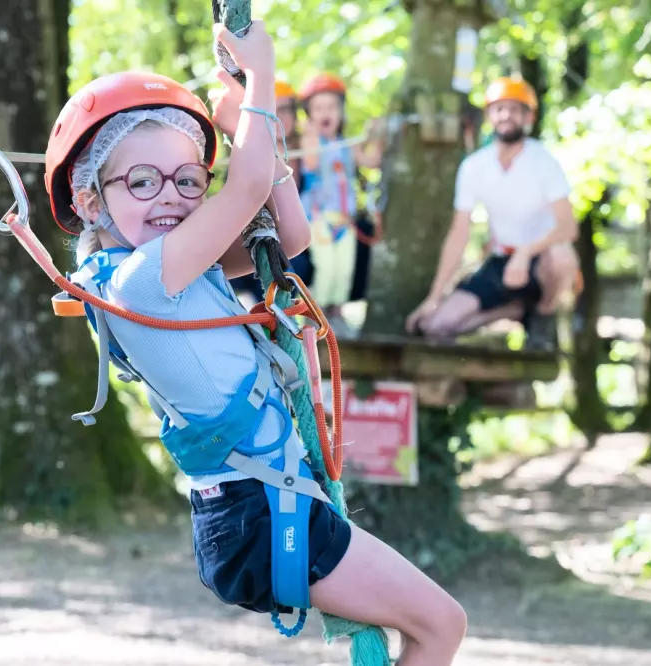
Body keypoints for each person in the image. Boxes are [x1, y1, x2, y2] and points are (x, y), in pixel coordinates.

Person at [42, 21, 466, 665]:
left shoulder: (176, 270)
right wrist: (261, 81)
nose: (170, 198)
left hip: (268, 503)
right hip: (260, 510)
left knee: (437, 625)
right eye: (143, 181)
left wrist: (257, 127)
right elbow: (243, 190)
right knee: (440, 625)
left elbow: (287, 236)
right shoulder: (140, 283)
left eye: (188, 180)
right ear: (90, 200)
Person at [405, 77, 579, 349]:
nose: (506, 115)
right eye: (499, 108)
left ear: (528, 117)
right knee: (435, 326)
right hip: (501, 262)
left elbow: (568, 227)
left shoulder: (544, 162)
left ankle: (543, 316)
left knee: (562, 256)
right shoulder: (475, 166)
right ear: (489, 115)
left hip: (540, 263)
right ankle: (513, 311)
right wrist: (434, 297)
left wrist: (526, 252)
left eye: (515, 109)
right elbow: (459, 234)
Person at [298, 72, 383, 336]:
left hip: (345, 220)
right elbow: (311, 162)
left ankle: (337, 314)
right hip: (319, 218)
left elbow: (371, 162)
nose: (326, 112)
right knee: (325, 268)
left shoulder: (348, 144)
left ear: (341, 111)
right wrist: (311, 133)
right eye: (319, 108)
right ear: (309, 113)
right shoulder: (311, 142)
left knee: (344, 269)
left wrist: (376, 136)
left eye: (332, 106)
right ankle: (314, 317)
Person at [229, 79, 311, 301]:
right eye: (273, 110)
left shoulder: (309, 151)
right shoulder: (244, 154)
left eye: (285, 109)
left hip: (309, 237)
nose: (279, 116)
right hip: (265, 237)